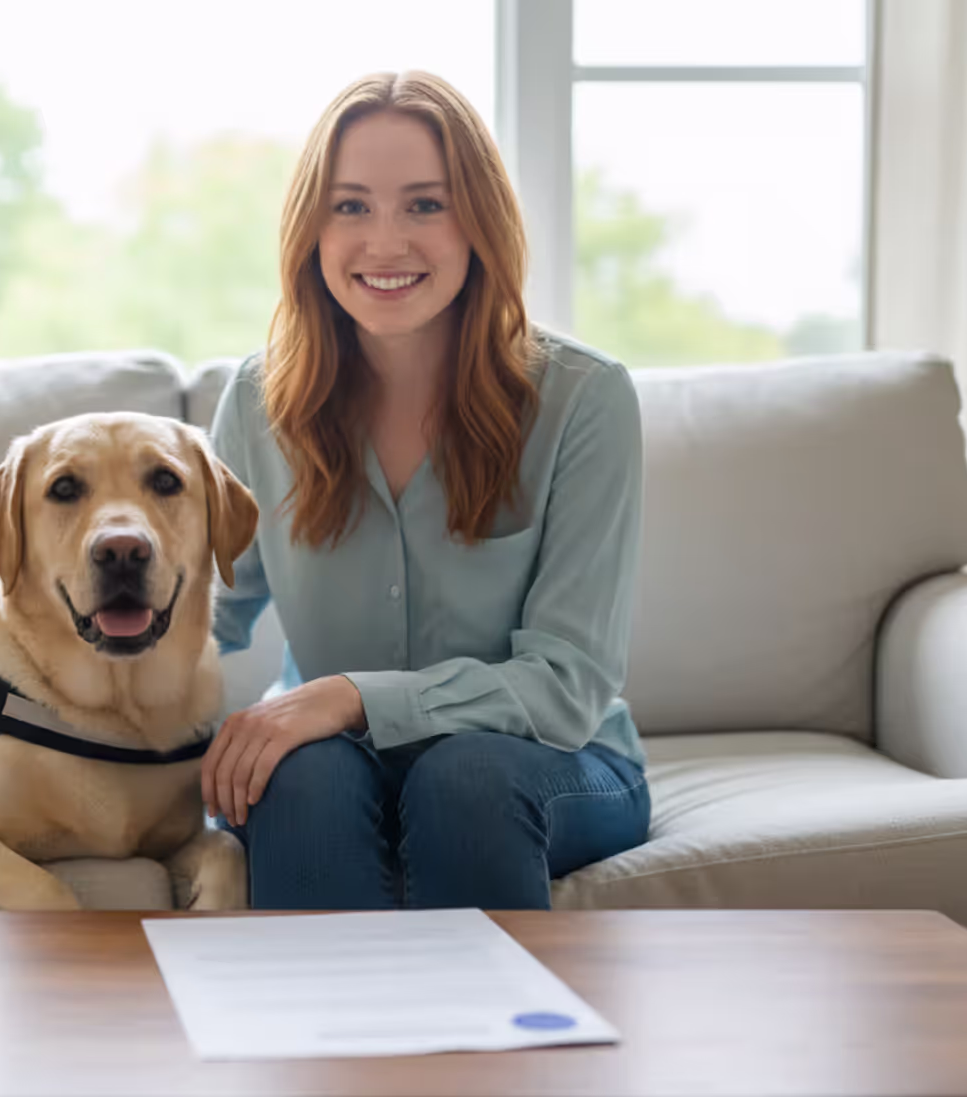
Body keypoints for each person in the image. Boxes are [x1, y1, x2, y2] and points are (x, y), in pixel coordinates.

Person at [199, 70, 651, 910]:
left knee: (463, 775)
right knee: (296, 776)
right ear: (311, 228)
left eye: (425, 205)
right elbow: (201, 617)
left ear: (479, 221)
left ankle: (495, 1043)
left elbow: (565, 684)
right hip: (336, 763)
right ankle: (332, 1041)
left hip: (549, 760)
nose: (385, 243)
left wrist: (349, 696)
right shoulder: (260, 401)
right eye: (351, 206)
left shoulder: (585, 400)